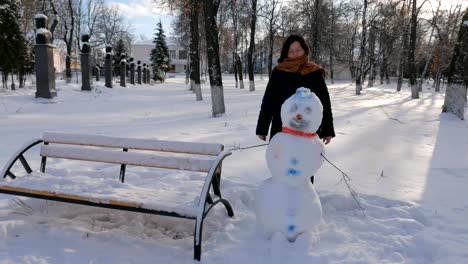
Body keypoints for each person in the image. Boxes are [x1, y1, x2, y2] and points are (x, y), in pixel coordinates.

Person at [256, 35, 335, 182]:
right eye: (291, 51)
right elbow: (268, 101)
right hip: (281, 129)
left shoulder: (314, 72)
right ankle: (280, 200)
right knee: (280, 168)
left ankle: (304, 202)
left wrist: (327, 130)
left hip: (307, 131)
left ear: (305, 50)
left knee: (304, 169)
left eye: (298, 50)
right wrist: (262, 127)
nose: (294, 53)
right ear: (286, 53)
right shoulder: (278, 72)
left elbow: (324, 104)